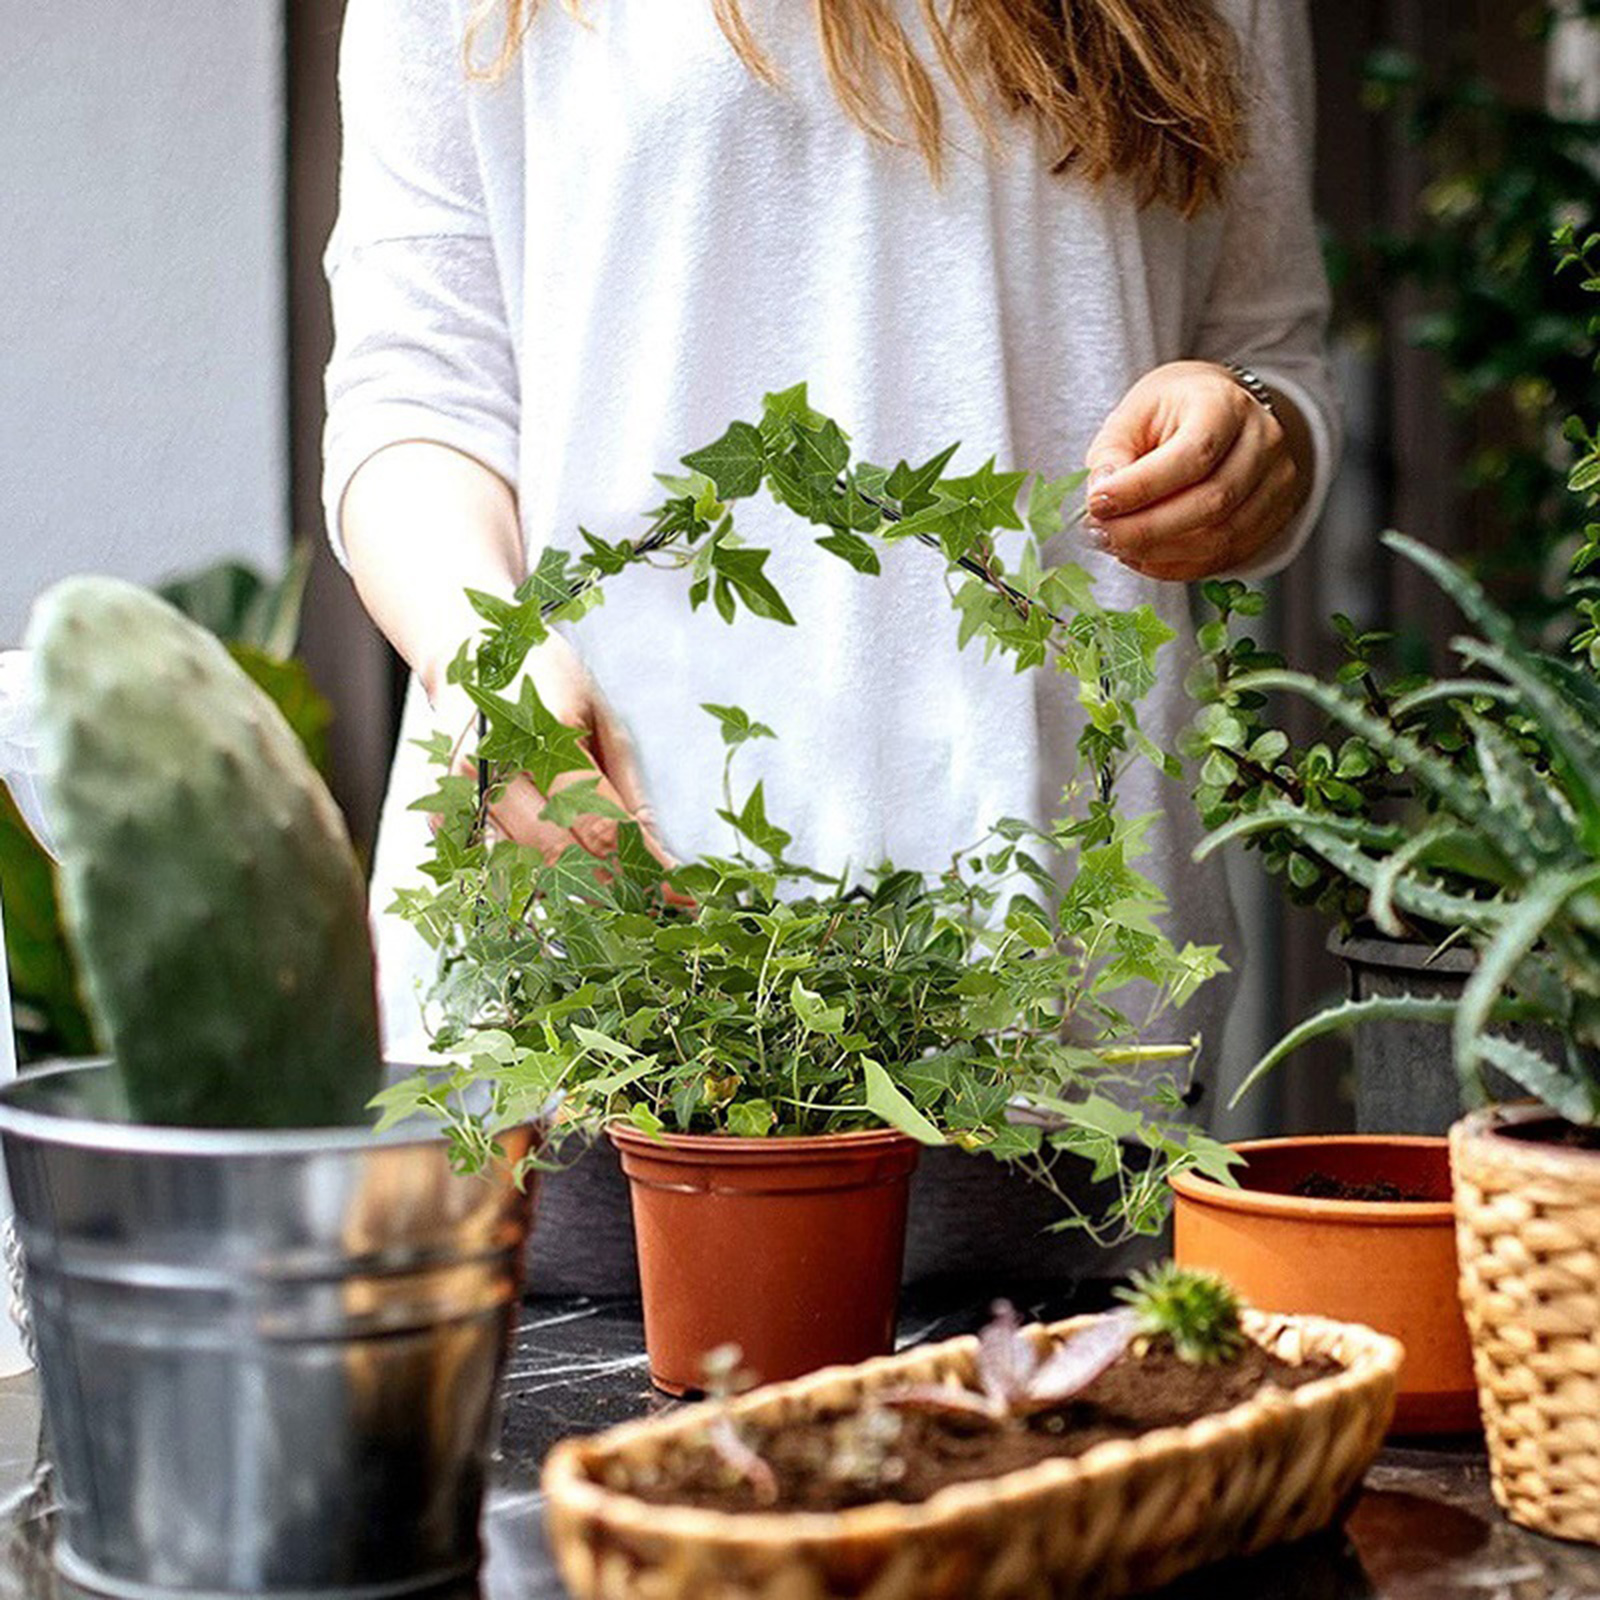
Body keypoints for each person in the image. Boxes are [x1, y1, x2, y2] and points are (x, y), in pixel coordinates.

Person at [324, 0, 1339, 1290]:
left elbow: (1266, 345)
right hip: (592, 959)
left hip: (1051, 997)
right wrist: (493, 671)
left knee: (1034, 1416)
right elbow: (416, 394)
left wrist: (1251, 437)